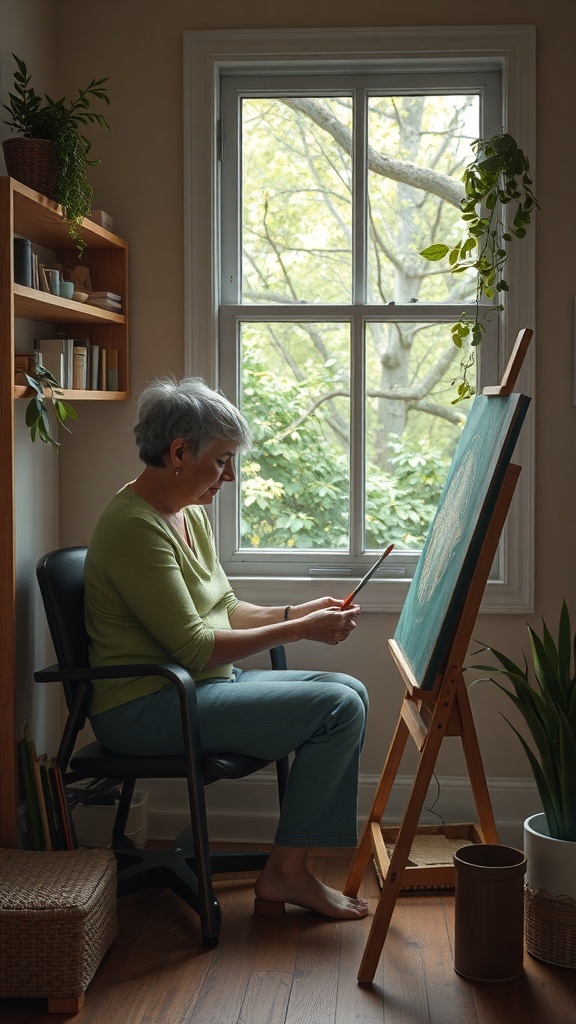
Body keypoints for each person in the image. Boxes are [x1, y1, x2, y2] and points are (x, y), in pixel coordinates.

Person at [84, 376, 369, 920]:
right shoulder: (133, 529)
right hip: (143, 706)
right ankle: (286, 873)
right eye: (222, 462)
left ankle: (287, 868)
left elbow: (225, 608)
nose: (230, 477)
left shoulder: (188, 512)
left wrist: (299, 612)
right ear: (178, 452)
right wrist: (297, 632)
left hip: (198, 688)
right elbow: (194, 648)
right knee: (338, 706)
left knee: (349, 691)